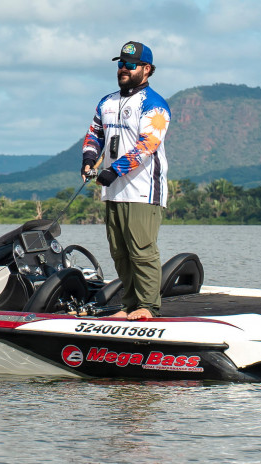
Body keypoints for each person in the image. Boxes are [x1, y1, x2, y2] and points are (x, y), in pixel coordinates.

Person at [79, 40, 171, 321]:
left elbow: (147, 145)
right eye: (120, 64)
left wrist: (113, 170)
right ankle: (130, 305)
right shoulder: (106, 102)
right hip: (113, 191)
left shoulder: (155, 105)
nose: (123, 69)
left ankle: (149, 307)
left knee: (141, 250)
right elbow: (95, 134)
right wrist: (88, 159)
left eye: (130, 65)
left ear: (146, 69)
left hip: (143, 190)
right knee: (120, 252)